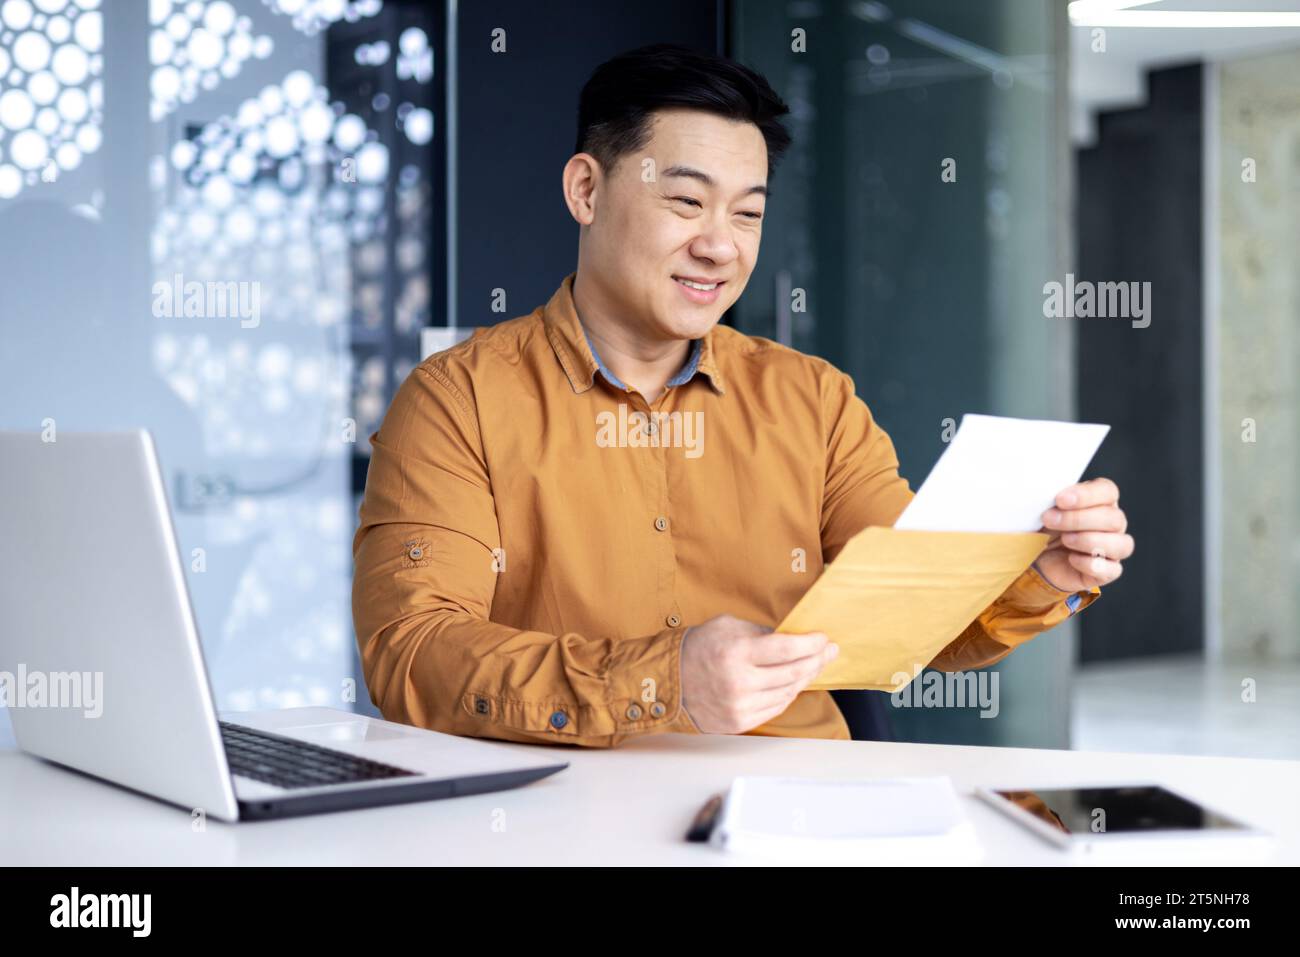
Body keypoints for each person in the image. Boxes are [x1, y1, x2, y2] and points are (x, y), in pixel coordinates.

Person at [351, 44, 1133, 746]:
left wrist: (1043, 575)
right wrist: (657, 681)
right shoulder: (458, 400)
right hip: (565, 823)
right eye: (686, 202)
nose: (720, 245)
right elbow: (411, 651)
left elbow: (911, 617)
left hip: (801, 821)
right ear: (586, 190)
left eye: (749, 213)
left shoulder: (815, 402)